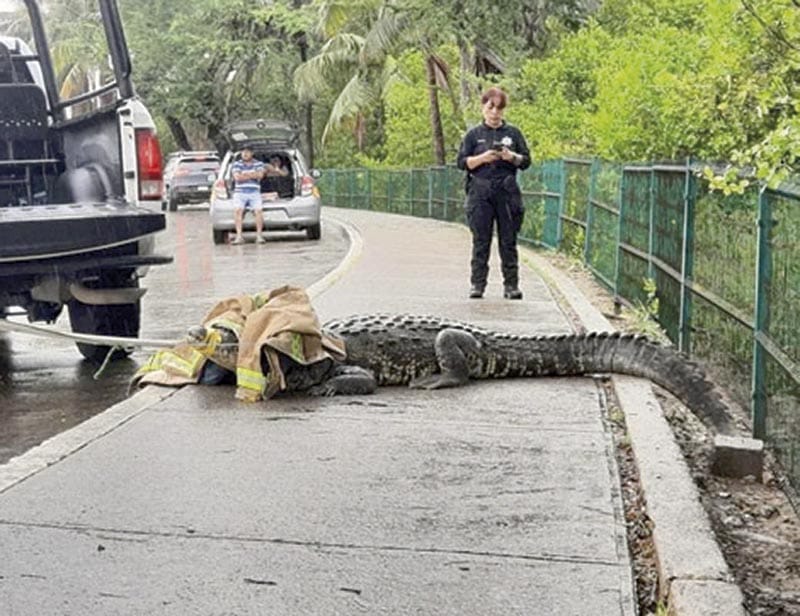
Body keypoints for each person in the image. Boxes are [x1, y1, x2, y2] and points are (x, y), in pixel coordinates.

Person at [456, 86, 531, 299]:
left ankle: (511, 285)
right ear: (483, 108)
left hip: (507, 191)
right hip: (480, 191)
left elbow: (526, 161)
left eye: (499, 108)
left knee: (508, 240)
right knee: (481, 240)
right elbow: (461, 163)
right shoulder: (473, 135)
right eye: (491, 107)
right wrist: (483, 158)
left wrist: (511, 157)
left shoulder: (513, 133)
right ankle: (477, 284)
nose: (495, 113)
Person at [231, 145, 266, 244]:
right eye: (243, 152)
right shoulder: (237, 164)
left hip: (254, 193)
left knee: (258, 211)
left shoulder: (258, 163)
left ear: (252, 153)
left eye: (247, 152)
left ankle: (259, 236)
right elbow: (237, 178)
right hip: (240, 193)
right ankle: (239, 237)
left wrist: (245, 175)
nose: (245, 154)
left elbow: (260, 175)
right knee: (238, 211)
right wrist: (252, 175)